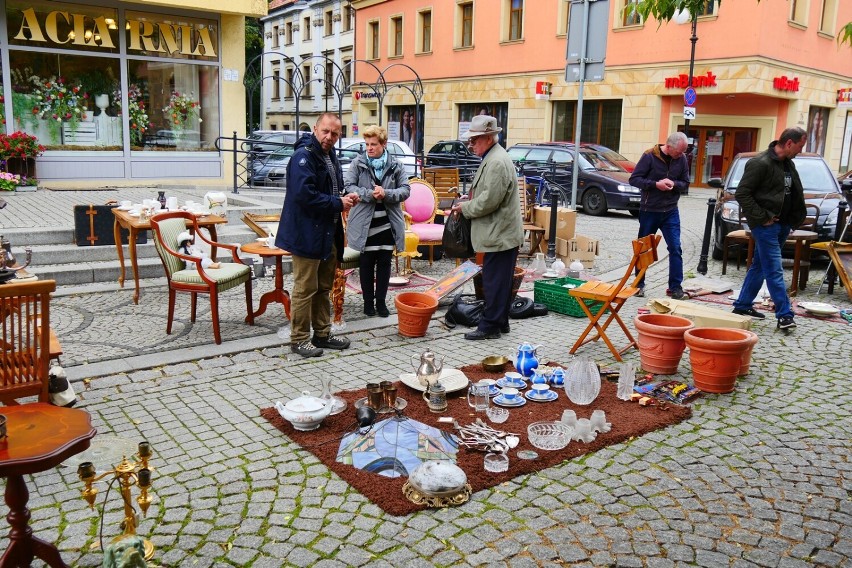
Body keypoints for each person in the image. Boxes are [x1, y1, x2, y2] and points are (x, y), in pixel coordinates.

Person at [276, 112, 359, 358]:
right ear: (315, 128)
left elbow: (330, 190)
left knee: (323, 287)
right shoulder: (304, 156)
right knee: (305, 288)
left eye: (334, 133)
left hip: (326, 233)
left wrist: (345, 197)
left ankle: (321, 333)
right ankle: (299, 339)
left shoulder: (329, 155)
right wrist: (337, 202)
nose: (329, 137)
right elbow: (305, 195)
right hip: (306, 234)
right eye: (325, 131)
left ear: (339, 134)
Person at [452, 115, 524, 340]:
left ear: (488, 137)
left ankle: (489, 326)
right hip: (499, 234)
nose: (471, 145)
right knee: (499, 282)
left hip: (499, 234)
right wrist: (469, 197)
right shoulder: (494, 157)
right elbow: (488, 194)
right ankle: (500, 322)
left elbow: (489, 201)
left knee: (494, 283)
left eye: (474, 140)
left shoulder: (496, 161)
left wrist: (465, 207)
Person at [732, 127, 808, 331]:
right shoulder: (760, 163)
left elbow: (793, 193)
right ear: (789, 143)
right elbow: (742, 193)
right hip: (765, 226)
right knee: (774, 269)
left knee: (760, 265)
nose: (800, 151)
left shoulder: (788, 164)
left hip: (782, 225)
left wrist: (793, 219)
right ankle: (784, 314)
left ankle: (742, 305)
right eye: (800, 146)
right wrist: (762, 217)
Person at [344, 125, 411, 318]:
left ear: (384, 144)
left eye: (373, 144)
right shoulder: (358, 163)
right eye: (367, 144)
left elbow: (406, 190)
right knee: (366, 264)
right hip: (366, 224)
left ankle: (381, 302)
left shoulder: (396, 164)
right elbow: (349, 186)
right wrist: (370, 195)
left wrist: (386, 193)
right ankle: (368, 303)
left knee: (384, 264)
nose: (369, 148)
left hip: (388, 224)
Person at [629, 131, 690, 299]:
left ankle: (675, 287)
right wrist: (656, 184)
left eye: (683, 152)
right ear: (668, 147)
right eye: (678, 152)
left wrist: (674, 184)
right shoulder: (649, 156)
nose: (681, 155)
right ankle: (639, 284)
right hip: (650, 210)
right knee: (643, 248)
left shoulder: (682, 159)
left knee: (675, 248)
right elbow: (634, 179)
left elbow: (685, 183)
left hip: (670, 210)